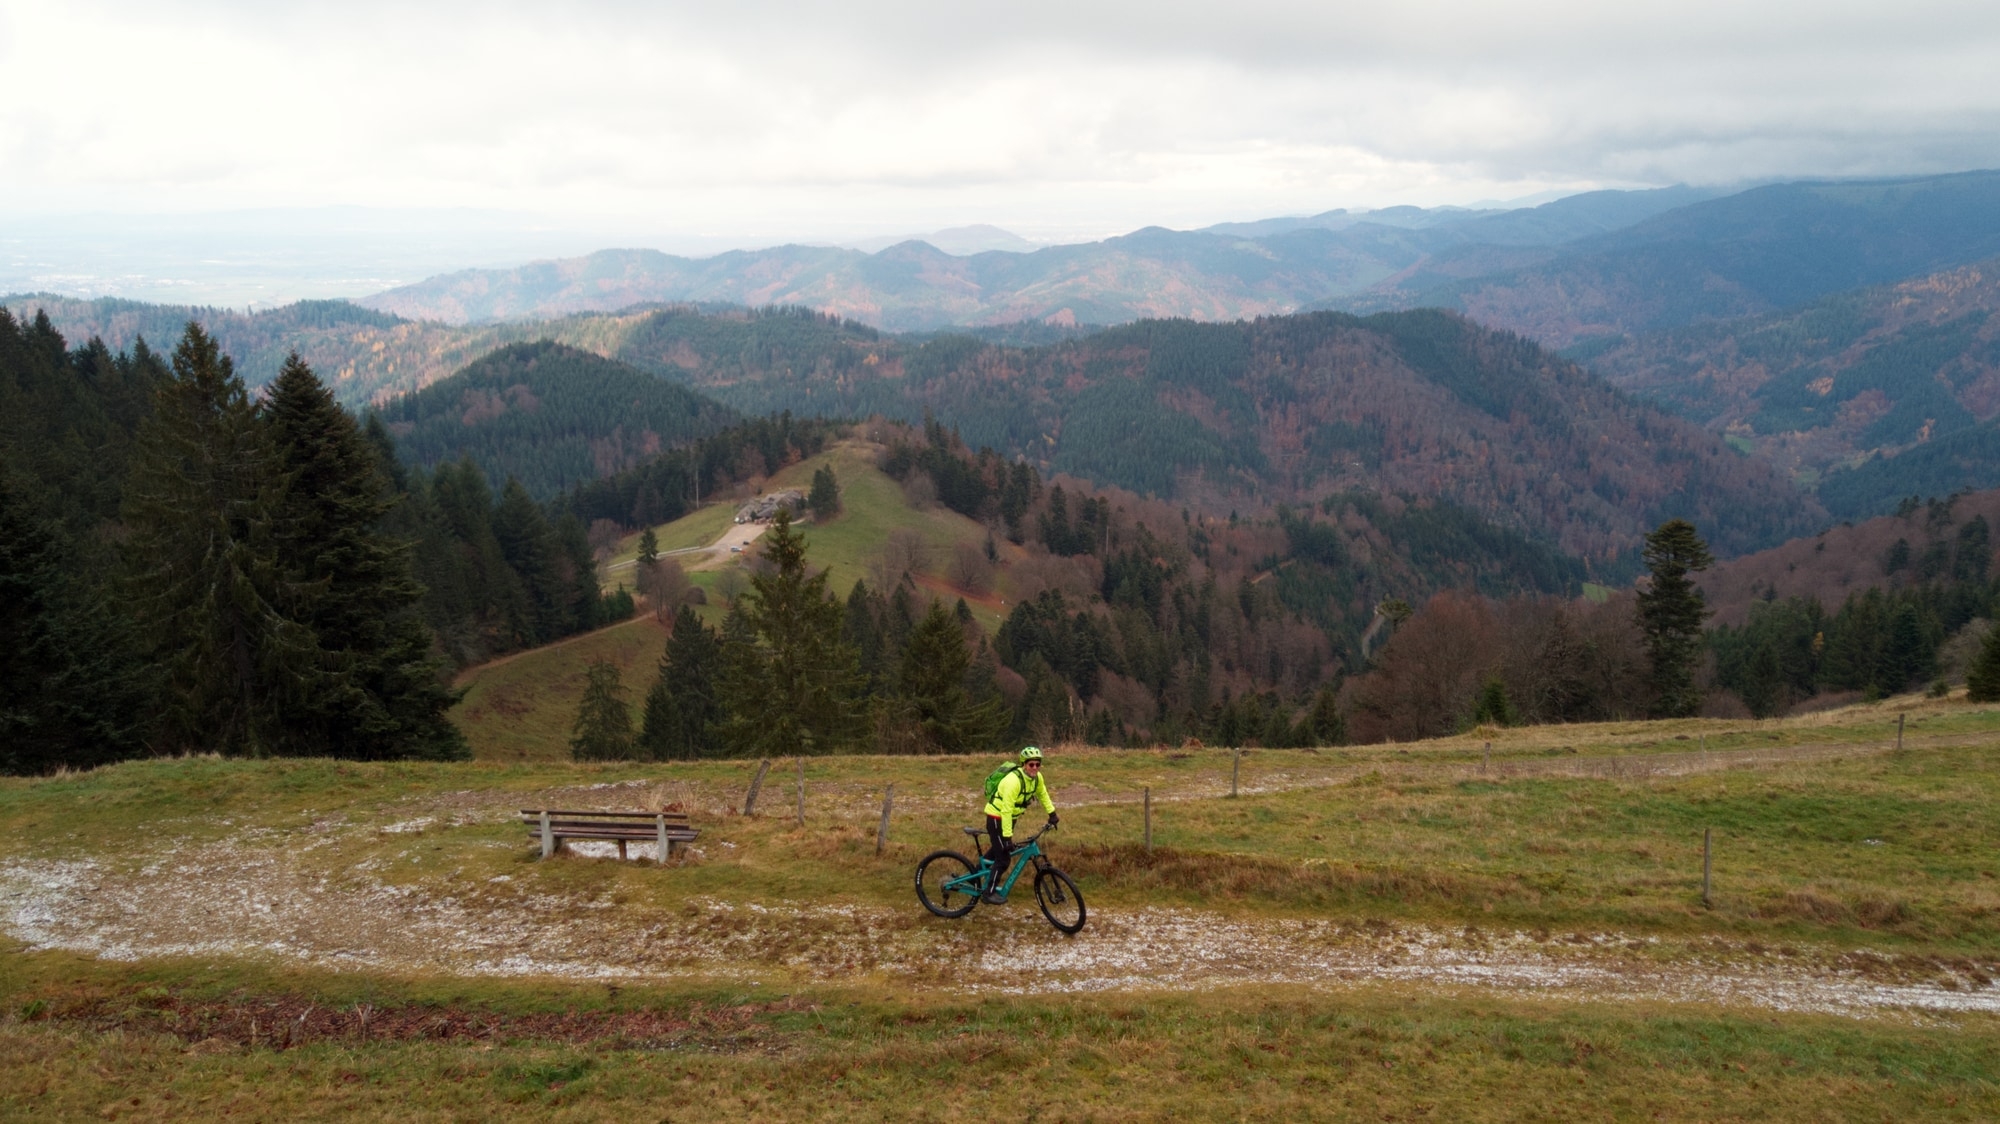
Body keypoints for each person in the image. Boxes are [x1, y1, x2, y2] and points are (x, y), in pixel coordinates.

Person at [982, 746, 1058, 904]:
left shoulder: (1037, 778)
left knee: (996, 851)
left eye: (1038, 764)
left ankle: (974, 875)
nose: (1035, 768)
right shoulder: (1013, 781)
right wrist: (1008, 837)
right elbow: (1006, 810)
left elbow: (1043, 794)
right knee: (1003, 859)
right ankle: (988, 893)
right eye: (1031, 765)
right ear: (1024, 764)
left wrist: (1052, 814)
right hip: (997, 817)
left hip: (1010, 818)